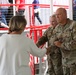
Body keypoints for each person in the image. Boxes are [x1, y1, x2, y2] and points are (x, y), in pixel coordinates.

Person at [53, 8, 76, 75]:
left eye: (59, 14)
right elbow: (55, 43)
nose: (57, 17)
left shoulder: (73, 25)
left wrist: (61, 45)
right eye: (56, 15)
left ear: (65, 15)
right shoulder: (57, 28)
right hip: (65, 63)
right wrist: (47, 50)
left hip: (74, 62)